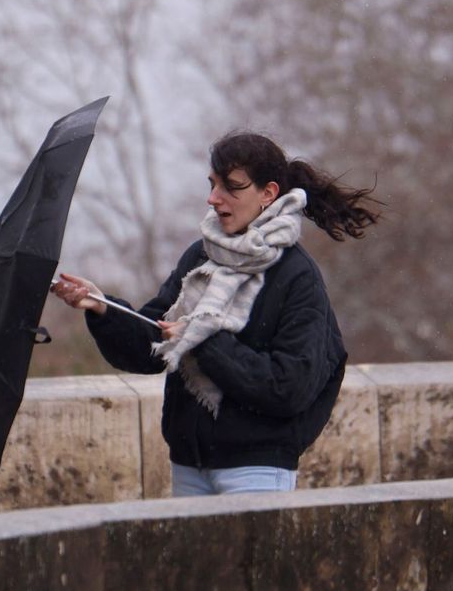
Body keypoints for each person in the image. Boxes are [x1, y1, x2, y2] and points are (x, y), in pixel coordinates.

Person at [51, 131, 378, 496]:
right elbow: (153, 343)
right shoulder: (201, 257)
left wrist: (204, 342)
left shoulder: (297, 276)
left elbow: (290, 387)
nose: (213, 198)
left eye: (231, 187)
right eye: (212, 185)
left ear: (267, 194)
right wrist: (101, 307)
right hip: (189, 464)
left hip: (257, 470)